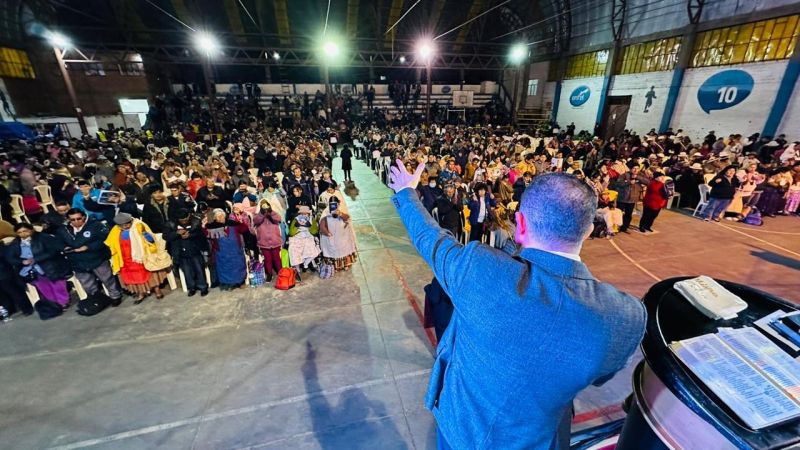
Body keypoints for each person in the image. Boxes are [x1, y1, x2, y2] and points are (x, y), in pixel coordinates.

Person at [388, 161, 646, 450]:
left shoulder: (479, 270)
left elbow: (430, 240)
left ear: (520, 223)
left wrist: (407, 192)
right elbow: (601, 376)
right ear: (588, 231)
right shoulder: (624, 317)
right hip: (533, 439)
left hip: (459, 429)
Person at [57, 208, 123, 306]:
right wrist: (64, 247)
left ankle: (115, 296)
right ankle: (97, 300)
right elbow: (58, 243)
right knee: (87, 284)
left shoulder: (95, 225)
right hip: (77, 261)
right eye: (72, 220)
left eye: (78, 219)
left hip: (96, 258)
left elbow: (105, 240)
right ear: (68, 219)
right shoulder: (63, 230)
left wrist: (88, 247)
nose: (76, 221)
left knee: (107, 279)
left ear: (83, 217)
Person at [105, 212, 170, 304]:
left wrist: (145, 234)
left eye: (127, 224)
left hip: (141, 257)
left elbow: (152, 240)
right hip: (125, 259)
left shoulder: (139, 225)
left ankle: (157, 290)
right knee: (133, 277)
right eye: (122, 225)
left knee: (149, 273)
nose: (126, 226)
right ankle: (141, 293)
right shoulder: (115, 230)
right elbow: (110, 244)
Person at [6, 222, 73, 309]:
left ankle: (63, 302)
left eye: (25, 231)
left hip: (50, 266)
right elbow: (10, 258)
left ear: (31, 230)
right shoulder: (15, 244)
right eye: (19, 232)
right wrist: (22, 262)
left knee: (57, 285)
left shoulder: (43, 237)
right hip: (31, 270)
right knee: (44, 288)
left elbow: (53, 251)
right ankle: (53, 305)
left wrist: (36, 259)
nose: (23, 234)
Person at [165, 209, 209, 297]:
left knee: (199, 269)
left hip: (195, 250)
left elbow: (201, 235)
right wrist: (176, 233)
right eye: (181, 220)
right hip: (180, 252)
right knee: (187, 272)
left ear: (189, 216)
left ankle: (203, 287)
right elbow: (165, 236)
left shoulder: (196, 221)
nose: (184, 222)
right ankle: (191, 288)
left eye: (185, 220)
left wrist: (190, 235)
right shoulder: (171, 224)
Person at [205, 208, 249, 291]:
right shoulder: (212, 227)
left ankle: (240, 282)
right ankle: (229, 284)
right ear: (215, 218)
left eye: (222, 216)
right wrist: (203, 226)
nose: (221, 218)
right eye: (219, 217)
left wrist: (240, 221)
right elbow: (207, 234)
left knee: (238, 266)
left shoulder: (232, 224)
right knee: (225, 268)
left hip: (235, 251)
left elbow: (244, 229)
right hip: (222, 253)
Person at [319, 201, 357, 272]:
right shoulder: (326, 212)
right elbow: (322, 225)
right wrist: (327, 233)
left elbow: (347, 218)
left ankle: (345, 264)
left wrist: (340, 214)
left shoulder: (341, 209)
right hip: (331, 236)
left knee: (343, 250)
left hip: (342, 235)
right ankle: (335, 267)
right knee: (333, 251)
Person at [252, 199, 284, 282]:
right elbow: (256, 221)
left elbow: (278, 219)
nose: (265, 207)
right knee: (267, 259)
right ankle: (269, 273)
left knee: (277, 258)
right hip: (263, 241)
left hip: (275, 240)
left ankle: (280, 271)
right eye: (263, 205)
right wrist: (262, 213)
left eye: (266, 205)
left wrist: (271, 212)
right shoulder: (257, 215)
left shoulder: (273, 213)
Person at [614, 165, 649, 233]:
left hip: (632, 199)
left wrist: (638, 177)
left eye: (637, 168)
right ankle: (616, 227)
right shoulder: (624, 175)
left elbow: (648, 182)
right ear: (630, 169)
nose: (636, 170)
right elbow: (618, 184)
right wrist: (629, 182)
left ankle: (624, 227)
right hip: (622, 198)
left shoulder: (641, 175)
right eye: (634, 168)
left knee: (628, 214)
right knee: (618, 213)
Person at [287, 205, 320, 276]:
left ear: (308, 213)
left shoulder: (312, 219)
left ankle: (306, 263)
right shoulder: (296, 219)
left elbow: (315, 231)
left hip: (308, 236)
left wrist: (310, 226)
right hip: (298, 236)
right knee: (293, 248)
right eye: (302, 213)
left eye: (306, 213)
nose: (304, 215)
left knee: (312, 250)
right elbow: (291, 232)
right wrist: (296, 226)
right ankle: (297, 269)